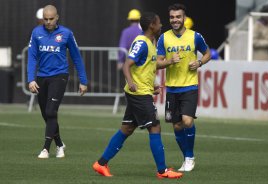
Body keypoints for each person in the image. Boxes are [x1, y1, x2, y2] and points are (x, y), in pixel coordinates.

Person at [93, 12, 183, 179]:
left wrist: (153, 83)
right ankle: (162, 171)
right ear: (152, 26)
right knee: (155, 126)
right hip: (139, 94)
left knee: (126, 129)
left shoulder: (150, 43)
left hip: (142, 91)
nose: (162, 25)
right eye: (159, 23)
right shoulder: (141, 42)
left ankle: (101, 163)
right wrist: (131, 82)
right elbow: (127, 64)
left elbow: (148, 66)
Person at [27, 5, 88, 159]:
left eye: (51, 19)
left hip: (60, 76)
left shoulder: (66, 33)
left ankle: (46, 149)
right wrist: (31, 79)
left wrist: (83, 80)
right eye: (45, 19)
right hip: (42, 77)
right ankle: (60, 144)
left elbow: (76, 57)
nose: (48, 22)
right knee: (45, 114)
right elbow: (32, 57)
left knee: (51, 111)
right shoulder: (36, 33)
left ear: (57, 17)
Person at [157, 3, 211, 172]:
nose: (175, 20)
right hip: (172, 88)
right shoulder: (163, 38)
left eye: (178, 17)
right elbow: (158, 63)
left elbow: (208, 53)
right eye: (172, 17)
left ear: (184, 18)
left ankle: (189, 157)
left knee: (187, 121)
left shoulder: (195, 36)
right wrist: (169, 61)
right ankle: (186, 156)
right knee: (177, 126)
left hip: (189, 86)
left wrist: (200, 62)